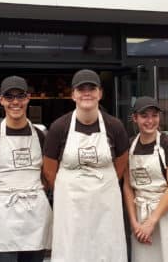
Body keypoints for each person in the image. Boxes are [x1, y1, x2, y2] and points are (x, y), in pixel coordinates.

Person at [42, 69, 130, 262]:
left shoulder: (115, 126)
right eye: (81, 89)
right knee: (71, 246)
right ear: (73, 94)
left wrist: (104, 184)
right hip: (70, 201)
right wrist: (70, 188)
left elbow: (121, 164)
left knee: (107, 245)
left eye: (92, 88)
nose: (87, 93)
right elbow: (49, 170)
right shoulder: (59, 127)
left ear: (100, 93)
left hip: (106, 201)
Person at [0, 76, 52, 262]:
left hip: (35, 215)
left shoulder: (41, 136)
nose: (15, 102)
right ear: (1, 100)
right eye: (9, 97)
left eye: (20, 96)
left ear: (28, 98)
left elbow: (47, 174)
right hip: (3, 216)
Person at [122, 96, 168, 262]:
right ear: (135, 118)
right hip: (140, 214)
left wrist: (151, 222)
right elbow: (128, 187)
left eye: (154, 115)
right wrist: (135, 223)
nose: (150, 121)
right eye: (144, 116)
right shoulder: (129, 146)